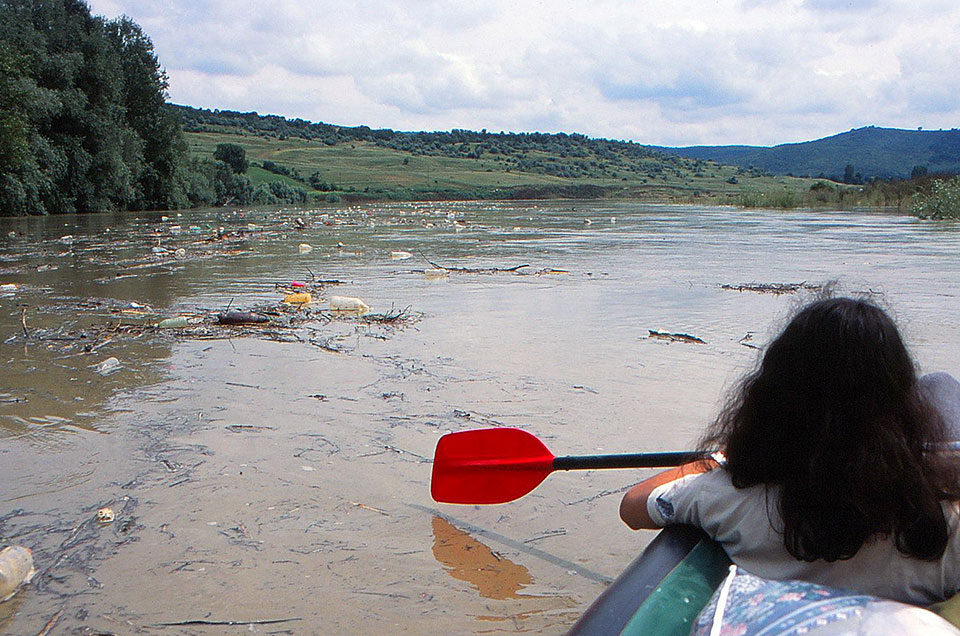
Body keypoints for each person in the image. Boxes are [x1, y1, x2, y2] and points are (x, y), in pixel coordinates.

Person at [619, 296, 960, 605]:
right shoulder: (943, 522)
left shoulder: (727, 500)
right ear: (907, 410)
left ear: (770, 401)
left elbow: (633, 506)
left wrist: (718, 460)